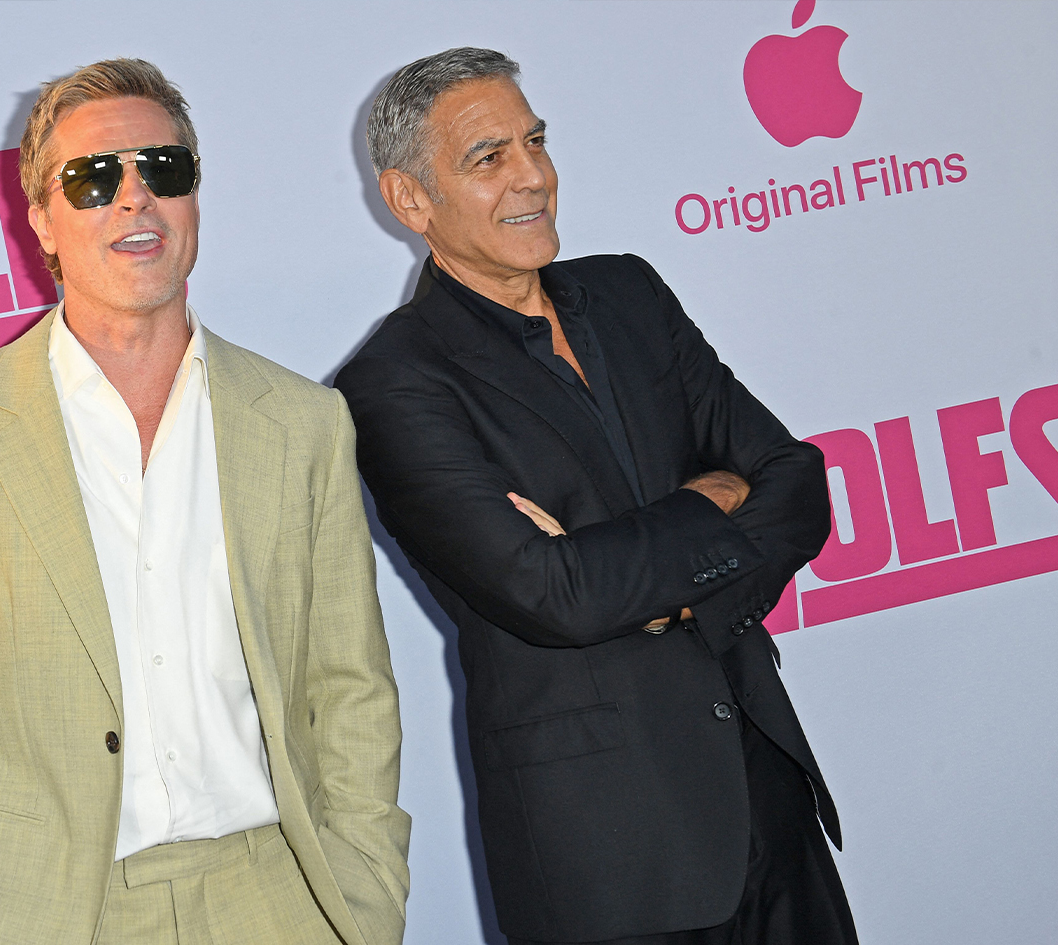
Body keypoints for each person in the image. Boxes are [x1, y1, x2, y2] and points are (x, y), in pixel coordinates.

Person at [0, 58, 409, 945]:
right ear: (41, 218)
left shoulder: (304, 422)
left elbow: (350, 686)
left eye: (164, 168)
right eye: (91, 178)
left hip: (282, 897)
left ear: (193, 195)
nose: (133, 197)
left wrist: (368, 890)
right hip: (49, 915)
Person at [334, 48, 857, 945]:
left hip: (768, 795)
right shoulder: (393, 384)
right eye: (489, 157)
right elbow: (557, 594)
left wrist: (654, 586)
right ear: (410, 199)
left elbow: (795, 480)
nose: (533, 175)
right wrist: (714, 498)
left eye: (535, 141)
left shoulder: (629, 294)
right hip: (612, 857)